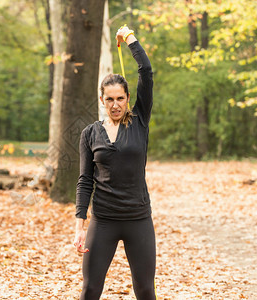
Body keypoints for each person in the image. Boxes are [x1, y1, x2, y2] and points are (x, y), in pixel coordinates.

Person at [74, 26, 156, 299]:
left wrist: (129, 37)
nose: (115, 104)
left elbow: (146, 71)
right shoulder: (90, 133)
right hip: (104, 219)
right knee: (90, 289)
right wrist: (79, 225)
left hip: (138, 218)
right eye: (109, 99)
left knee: (144, 290)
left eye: (120, 98)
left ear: (128, 99)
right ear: (102, 100)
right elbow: (85, 180)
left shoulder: (139, 122)